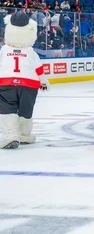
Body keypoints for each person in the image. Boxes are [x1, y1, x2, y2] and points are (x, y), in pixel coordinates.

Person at [0, 11, 48, 149]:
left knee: (7, 110)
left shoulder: (4, 49)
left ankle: (10, 136)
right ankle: (24, 135)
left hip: (6, 83)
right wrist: (43, 82)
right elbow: (39, 69)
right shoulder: (31, 52)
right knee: (26, 110)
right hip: (29, 84)